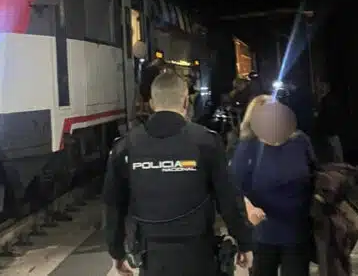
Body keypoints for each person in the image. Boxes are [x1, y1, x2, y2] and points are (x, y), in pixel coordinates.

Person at [104, 72, 254, 276]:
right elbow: (227, 198)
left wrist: (117, 252)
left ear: (151, 103)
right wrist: (244, 241)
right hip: (199, 254)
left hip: (151, 256)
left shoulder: (125, 146)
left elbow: (113, 205)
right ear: (186, 102)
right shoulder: (207, 141)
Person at [229, 95, 315, 276]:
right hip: (262, 235)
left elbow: (314, 174)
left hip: (297, 232)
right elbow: (233, 187)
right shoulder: (247, 148)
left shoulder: (300, 142)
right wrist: (248, 207)